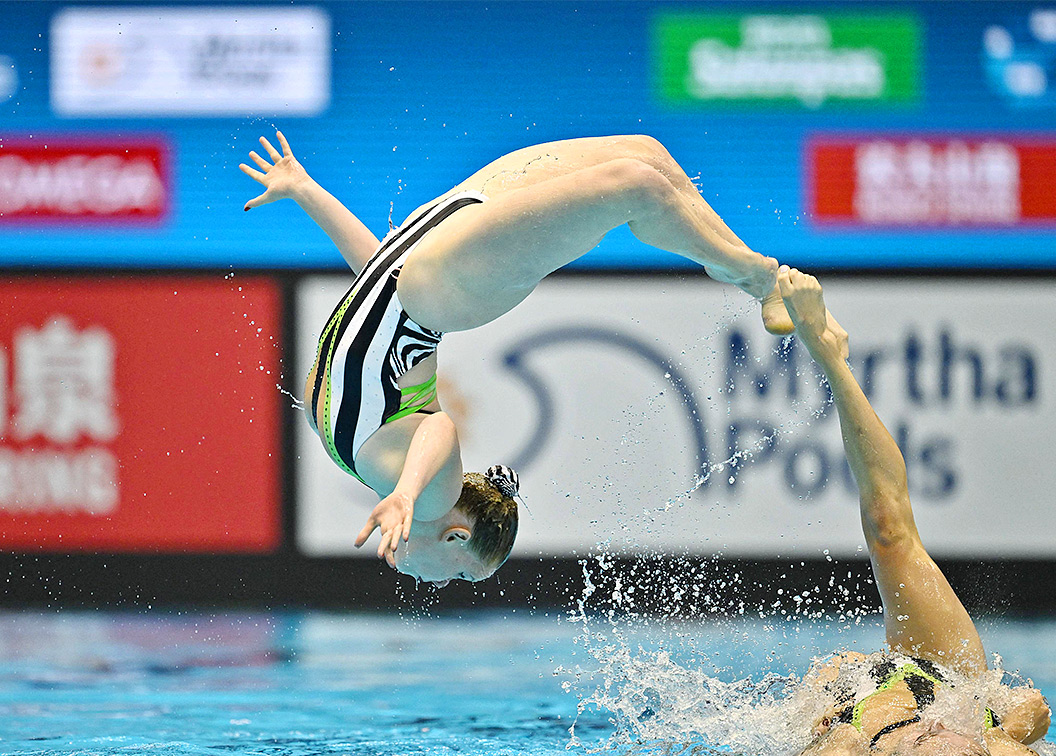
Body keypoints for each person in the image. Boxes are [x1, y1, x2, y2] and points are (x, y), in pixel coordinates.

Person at [241, 132, 792, 584]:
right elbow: (443, 432)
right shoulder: (426, 499)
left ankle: (749, 271)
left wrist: (306, 190)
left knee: (647, 160)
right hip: (437, 275)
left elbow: (373, 284)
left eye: (460, 580)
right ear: (457, 533)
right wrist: (408, 494)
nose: (438, 584)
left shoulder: (406, 481)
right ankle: (756, 274)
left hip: (420, 254)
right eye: (459, 576)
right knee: (637, 181)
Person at [775, 267, 1050, 756]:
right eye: (960, 739)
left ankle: (829, 357)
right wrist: (1009, 727)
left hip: (850, 696)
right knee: (891, 530)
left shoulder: (848, 751)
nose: (944, 729)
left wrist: (814, 720)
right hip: (946, 667)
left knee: (881, 536)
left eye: (934, 741)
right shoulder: (999, 750)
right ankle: (831, 355)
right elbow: (1033, 709)